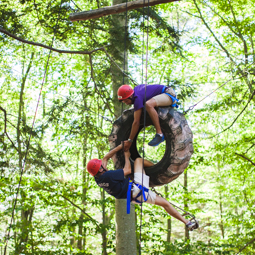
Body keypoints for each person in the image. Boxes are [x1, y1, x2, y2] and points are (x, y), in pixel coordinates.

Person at [86, 144, 199, 231]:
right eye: (102, 165)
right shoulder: (108, 175)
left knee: (165, 204)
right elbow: (128, 170)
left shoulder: (98, 179)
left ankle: (187, 223)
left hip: (136, 197)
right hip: (137, 189)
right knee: (139, 161)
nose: (104, 164)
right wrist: (126, 156)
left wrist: (116, 149)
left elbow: (103, 163)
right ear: (101, 169)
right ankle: (157, 167)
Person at [117, 84, 178, 151]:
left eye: (126, 101)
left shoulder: (137, 98)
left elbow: (136, 122)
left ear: (131, 96)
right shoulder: (137, 92)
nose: (126, 103)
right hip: (162, 95)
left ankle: (159, 134)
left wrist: (130, 140)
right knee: (147, 105)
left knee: (148, 104)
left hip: (168, 94)